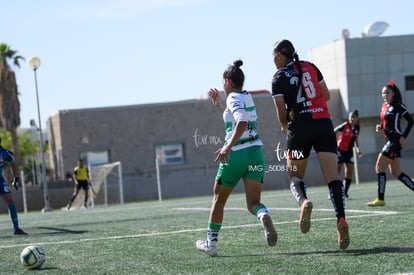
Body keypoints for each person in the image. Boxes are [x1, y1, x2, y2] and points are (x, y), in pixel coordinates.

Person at [271, 39, 350, 250]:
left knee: (294, 175)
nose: (272, 60)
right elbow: (326, 95)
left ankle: (304, 201)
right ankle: (341, 219)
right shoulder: (311, 67)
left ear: (280, 55)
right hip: (324, 124)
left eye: (273, 56)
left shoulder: (278, 77)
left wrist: (285, 125)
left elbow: (280, 110)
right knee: (333, 176)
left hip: (300, 128)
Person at [196, 60, 277, 257]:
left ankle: (211, 245)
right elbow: (235, 117)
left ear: (227, 81)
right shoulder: (246, 97)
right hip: (255, 155)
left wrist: (227, 148)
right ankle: (263, 215)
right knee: (254, 203)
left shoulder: (233, 98)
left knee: (218, 199)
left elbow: (241, 121)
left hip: (236, 156)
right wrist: (218, 105)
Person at [367, 80, 414, 206]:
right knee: (396, 172)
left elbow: (411, 121)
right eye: (383, 93)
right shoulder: (384, 106)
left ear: (393, 93)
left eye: (387, 92)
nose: (384, 95)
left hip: (395, 141)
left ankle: (380, 199)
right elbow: (387, 122)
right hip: (389, 140)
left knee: (379, 167)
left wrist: (403, 137)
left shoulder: (398, 106)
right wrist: (381, 126)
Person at [0, 138, 27, 235]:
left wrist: (16, 178)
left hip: (0, 180)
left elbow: (13, 163)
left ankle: (16, 228)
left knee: (10, 201)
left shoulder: (4, 153)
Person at [334, 109, 363, 199]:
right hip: (340, 150)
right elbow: (334, 130)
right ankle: (333, 191)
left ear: (357, 118)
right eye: (351, 117)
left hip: (349, 152)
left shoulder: (357, 128)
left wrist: (358, 150)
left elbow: (355, 140)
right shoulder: (345, 125)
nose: (352, 118)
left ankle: (344, 192)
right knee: (337, 171)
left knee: (349, 171)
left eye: (354, 117)